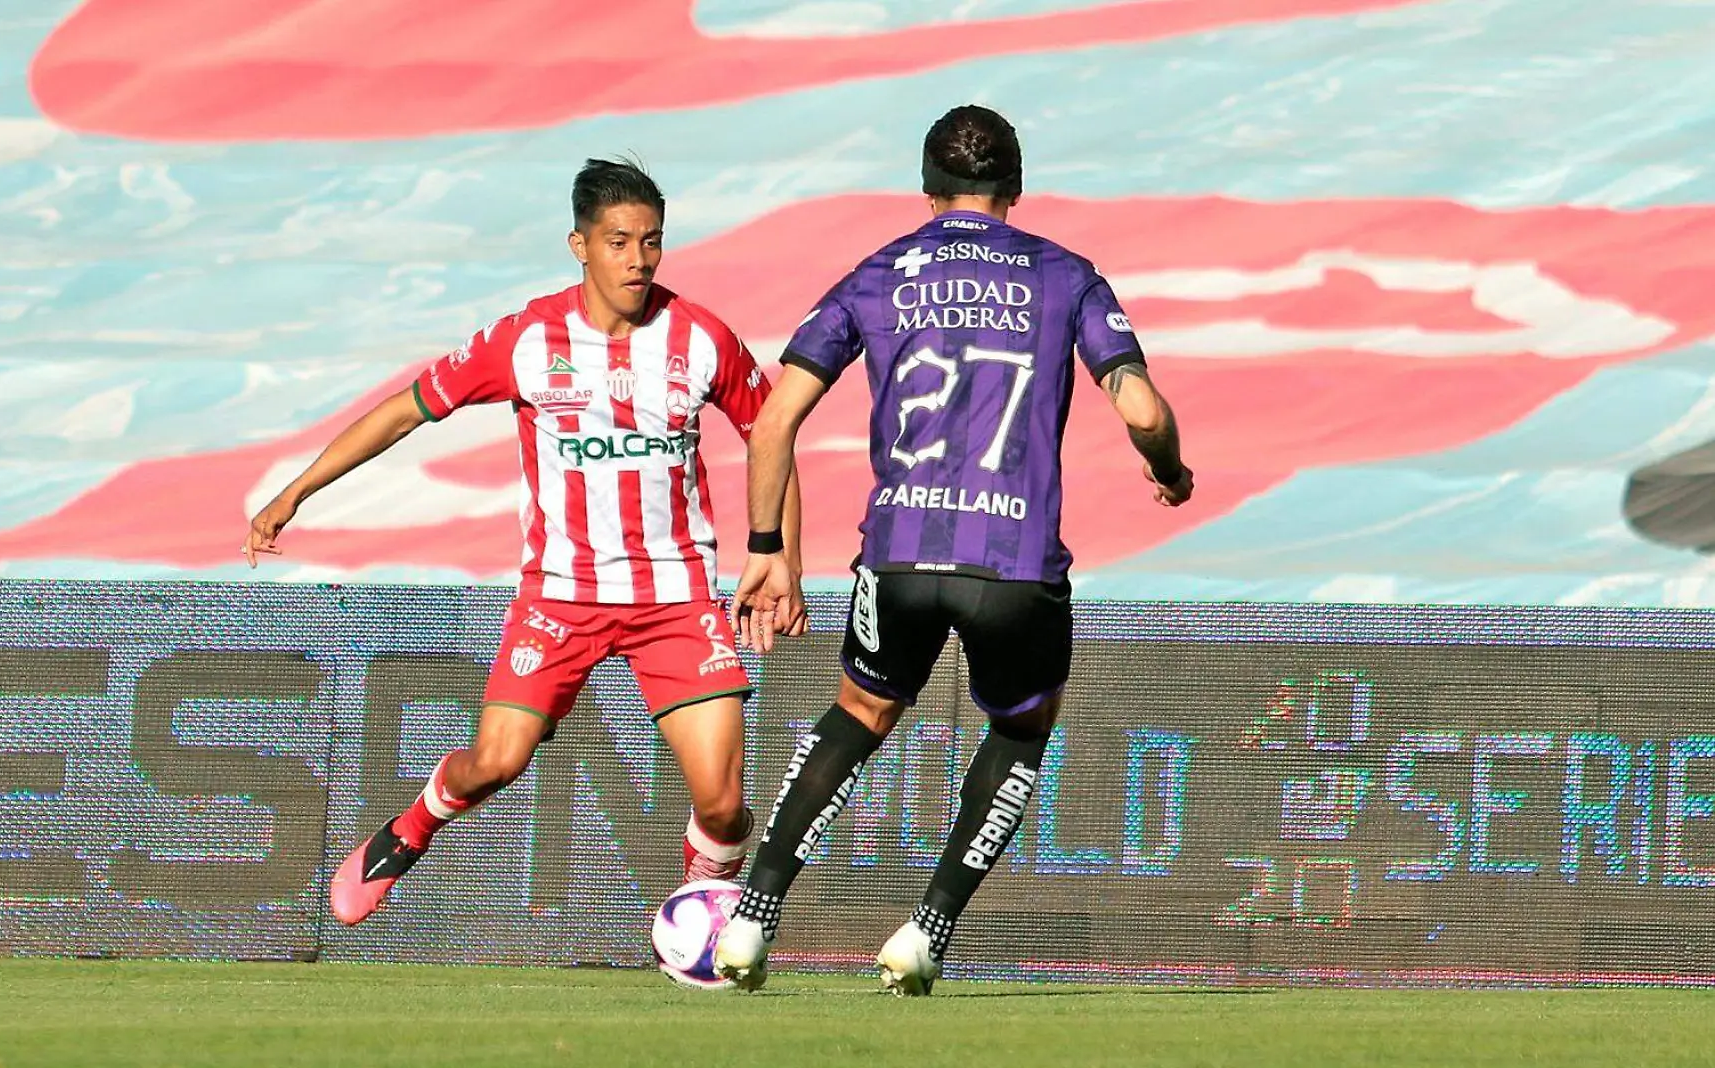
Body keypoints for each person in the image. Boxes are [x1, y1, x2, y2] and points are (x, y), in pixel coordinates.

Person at [241, 158, 806, 926]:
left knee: (724, 800)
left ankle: (696, 917)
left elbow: (771, 435)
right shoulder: (527, 339)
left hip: (674, 598)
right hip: (561, 597)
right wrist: (295, 491)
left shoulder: (701, 337)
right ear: (579, 245)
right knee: (495, 763)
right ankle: (408, 832)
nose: (638, 259)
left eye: (651, 241)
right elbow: (403, 411)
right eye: (618, 241)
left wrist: (783, 562)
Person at [713, 105, 1192, 995]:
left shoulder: (880, 272)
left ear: (928, 191)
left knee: (857, 715)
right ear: (1014, 188)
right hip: (1014, 566)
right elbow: (1143, 410)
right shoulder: (1067, 277)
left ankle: (752, 918)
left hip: (897, 554)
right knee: (1019, 729)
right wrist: (1171, 469)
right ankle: (928, 929)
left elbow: (775, 418)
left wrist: (769, 547)